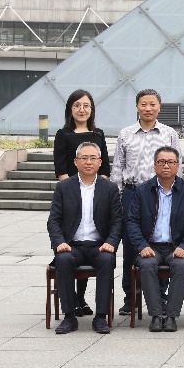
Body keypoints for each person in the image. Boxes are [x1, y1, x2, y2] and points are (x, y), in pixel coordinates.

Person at [111, 89, 182, 316]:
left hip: (161, 193)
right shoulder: (125, 134)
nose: (148, 108)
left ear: (159, 107)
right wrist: (117, 199)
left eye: (152, 104)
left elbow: (177, 166)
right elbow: (117, 168)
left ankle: (160, 296)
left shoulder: (169, 134)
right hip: (133, 194)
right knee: (131, 246)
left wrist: (178, 194)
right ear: (137, 107)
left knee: (161, 243)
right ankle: (130, 297)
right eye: (143, 104)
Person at [47, 142, 121, 334]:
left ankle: (101, 317)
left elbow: (117, 221)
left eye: (93, 158)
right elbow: (54, 220)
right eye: (84, 158)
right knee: (63, 260)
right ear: (76, 162)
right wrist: (59, 243)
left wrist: (111, 243)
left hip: (99, 245)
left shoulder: (110, 188)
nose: (89, 162)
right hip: (72, 246)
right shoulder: (63, 187)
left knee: (107, 260)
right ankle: (69, 317)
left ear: (100, 162)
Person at [126, 146, 184, 332]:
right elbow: (132, 222)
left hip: (177, 246)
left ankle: (172, 317)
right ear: (154, 165)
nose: (166, 166)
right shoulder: (142, 191)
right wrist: (141, 245)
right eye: (161, 162)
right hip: (150, 246)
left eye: (170, 162)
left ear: (178, 165)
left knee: (182, 265)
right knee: (146, 264)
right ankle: (156, 316)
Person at [52, 89, 111, 316]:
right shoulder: (63, 134)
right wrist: (73, 193)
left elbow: (104, 167)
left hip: (96, 194)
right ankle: (73, 300)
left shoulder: (98, 134)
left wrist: (100, 193)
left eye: (86, 105)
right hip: (71, 195)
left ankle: (81, 297)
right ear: (70, 109)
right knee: (73, 241)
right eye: (77, 105)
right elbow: (61, 168)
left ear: (92, 109)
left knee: (90, 243)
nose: (82, 109)